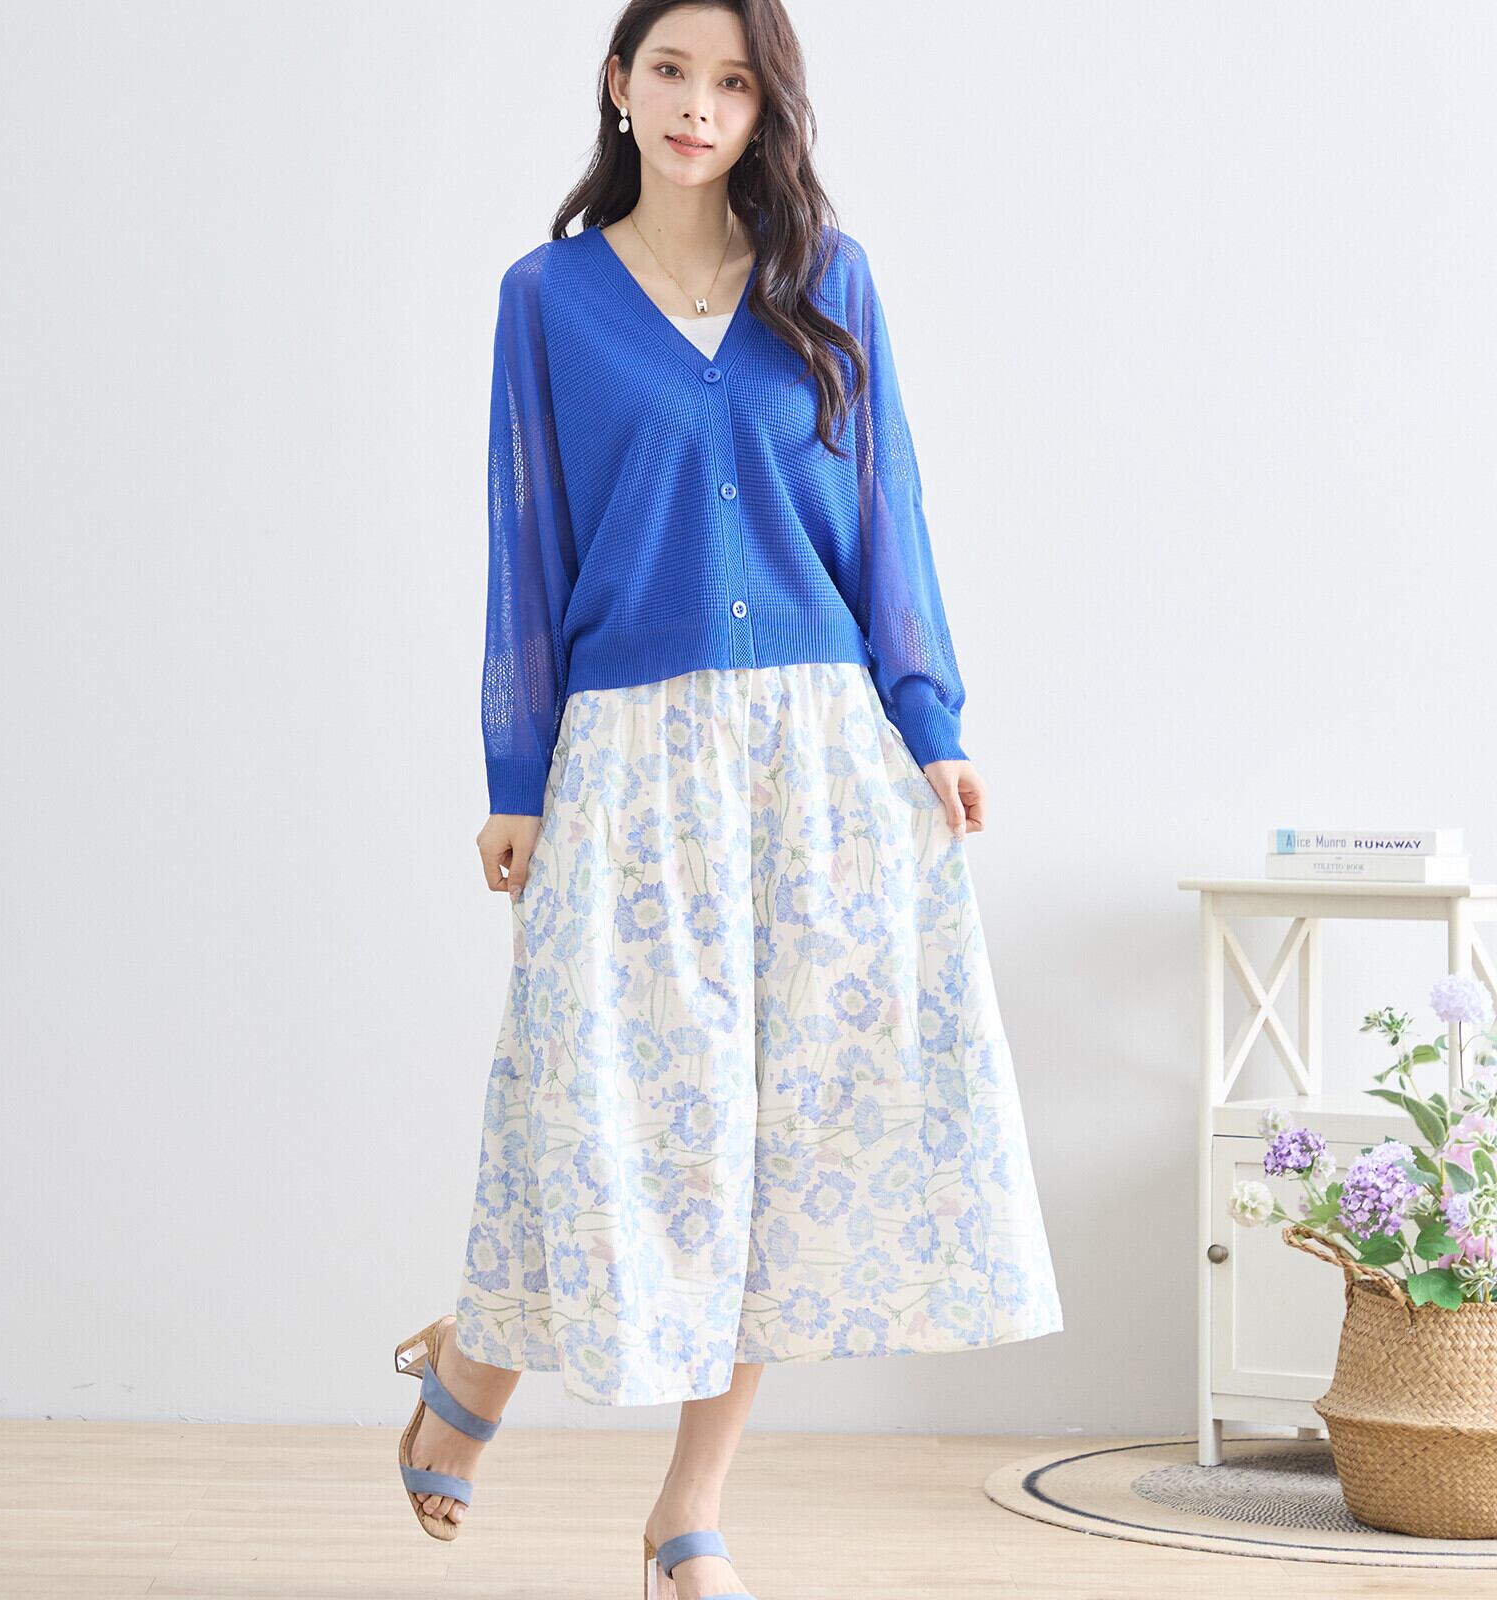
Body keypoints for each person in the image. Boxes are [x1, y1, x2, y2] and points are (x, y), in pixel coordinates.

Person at [396, 3, 1063, 1595]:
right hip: (629, 760)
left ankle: (689, 1513)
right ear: (619, 85)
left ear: (768, 110)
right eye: (673, 72)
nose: (700, 106)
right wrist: (515, 774)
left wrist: (931, 719)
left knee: (773, 1137)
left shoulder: (826, 281)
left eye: (735, 82)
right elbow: (526, 547)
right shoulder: (548, 299)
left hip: (820, 752)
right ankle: (471, 1368)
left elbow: (890, 512)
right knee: (593, 1103)